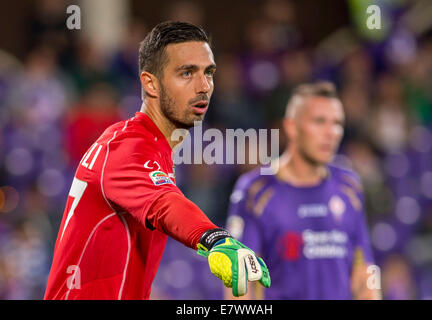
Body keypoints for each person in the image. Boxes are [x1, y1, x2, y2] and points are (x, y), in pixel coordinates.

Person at [44, 21, 270, 300]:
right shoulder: (127, 147)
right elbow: (165, 203)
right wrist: (216, 239)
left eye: (208, 73)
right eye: (187, 73)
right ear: (150, 83)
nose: (203, 86)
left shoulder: (154, 148)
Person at [226, 82, 380, 300]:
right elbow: (238, 282)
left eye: (337, 123)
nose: (331, 132)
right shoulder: (255, 190)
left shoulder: (349, 185)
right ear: (291, 127)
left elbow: (364, 268)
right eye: (319, 121)